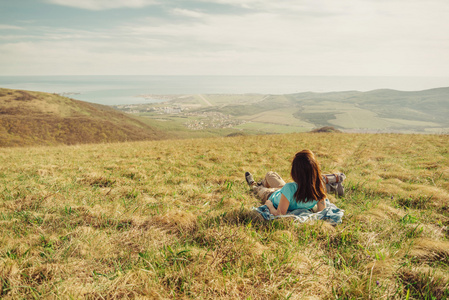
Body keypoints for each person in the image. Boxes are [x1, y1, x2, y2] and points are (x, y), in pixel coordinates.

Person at [245, 149, 327, 216]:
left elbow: (279, 214)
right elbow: (321, 212)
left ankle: (254, 185)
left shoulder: (290, 188)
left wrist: (269, 205)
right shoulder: (319, 187)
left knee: (260, 189)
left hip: (272, 195)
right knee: (270, 175)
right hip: (285, 193)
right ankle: (263, 182)